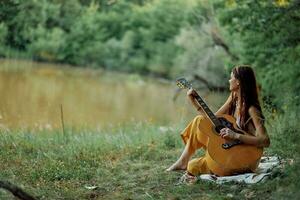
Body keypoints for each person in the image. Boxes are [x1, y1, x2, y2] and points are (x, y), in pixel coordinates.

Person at [166, 65, 270, 178]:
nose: (229, 80)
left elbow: (265, 140)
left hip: (244, 157)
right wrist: (194, 101)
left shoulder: (252, 109)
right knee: (199, 121)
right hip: (229, 149)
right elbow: (213, 120)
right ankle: (183, 161)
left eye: (231, 77)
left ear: (238, 82)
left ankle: (186, 162)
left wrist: (236, 135)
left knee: (193, 166)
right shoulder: (234, 98)